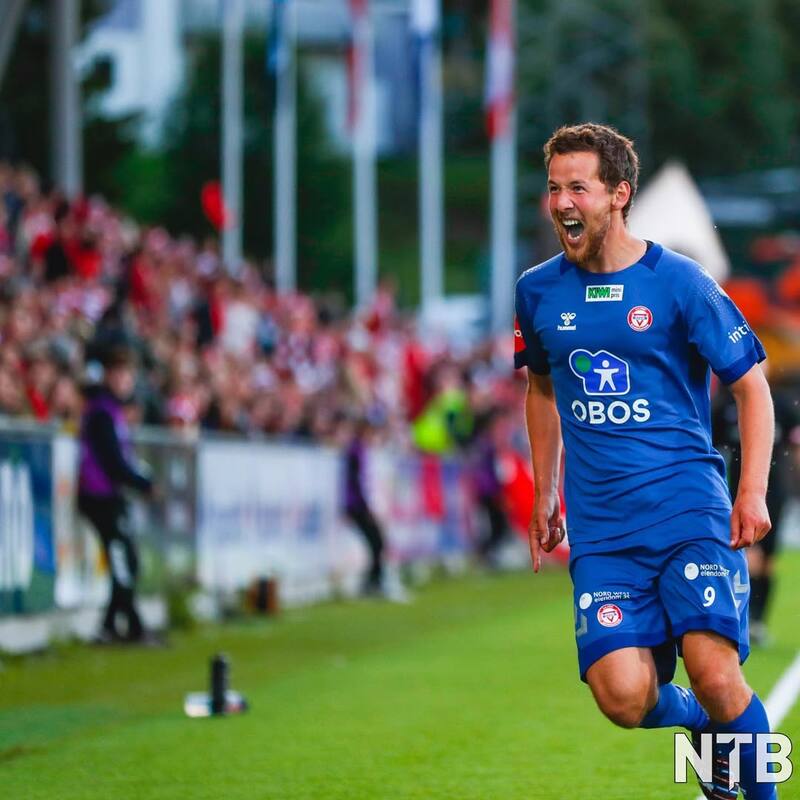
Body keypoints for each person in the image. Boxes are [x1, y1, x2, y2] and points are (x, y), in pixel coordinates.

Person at [514, 123, 776, 800]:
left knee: (715, 673)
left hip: (688, 513)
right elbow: (541, 387)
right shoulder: (537, 291)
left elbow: (752, 388)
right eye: (554, 188)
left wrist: (751, 491)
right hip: (604, 534)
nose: (562, 203)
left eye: (578, 188)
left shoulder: (680, 282)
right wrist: (546, 491)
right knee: (623, 698)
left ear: (619, 194)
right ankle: (701, 726)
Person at [713, 368, 800, 645]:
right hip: (736, 488)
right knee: (747, 553)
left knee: (768, 560)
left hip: (775, 489)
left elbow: (795, 447)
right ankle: (741, 618)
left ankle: (758, 620)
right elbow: (711, 446)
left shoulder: (782, 404)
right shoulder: (725, 406)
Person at [77, 348, 155, 644]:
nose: (125, 380)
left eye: (128, 375)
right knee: (123, 560)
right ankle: (132, 627)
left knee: (125, 559)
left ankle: (112, 626)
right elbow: (113, 461)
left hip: (110, 495)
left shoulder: (111, 411)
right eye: (120, 374)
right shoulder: (102, 412)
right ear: (109, 376)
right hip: (99, 496)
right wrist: (142, 483)